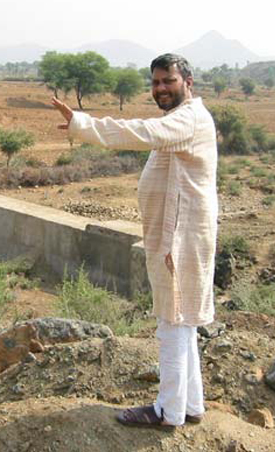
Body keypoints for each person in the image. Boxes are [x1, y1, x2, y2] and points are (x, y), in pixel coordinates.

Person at [51, 53, 218, 428]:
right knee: (183, 321)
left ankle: (167, 411)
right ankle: (191, 405)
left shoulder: (187, 119)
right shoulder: (184, 118)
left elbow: (143, 133)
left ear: (188, 82)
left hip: (180, 239)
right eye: (156, 82)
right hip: (179, 235)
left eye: (168, 81)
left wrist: (83, 124)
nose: (161, 88)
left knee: (172, 320)